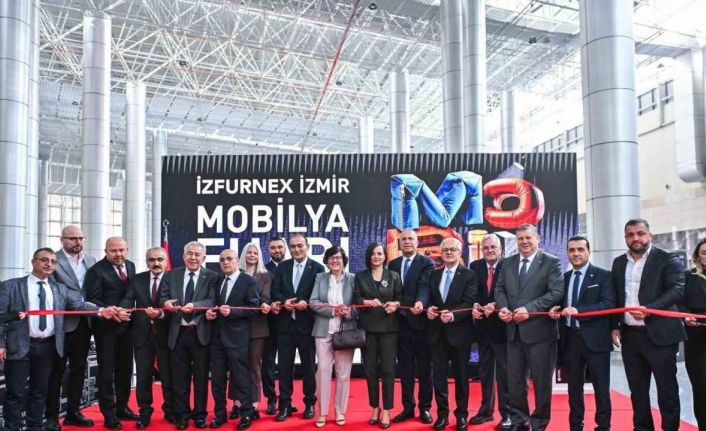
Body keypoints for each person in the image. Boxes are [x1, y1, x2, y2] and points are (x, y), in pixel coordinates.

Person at [0, 248, 115, 431]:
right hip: (19, 346)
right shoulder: (10, 286)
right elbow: (1, 316)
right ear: (33, 261)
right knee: (15, 393)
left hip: (48, 347)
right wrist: (1, 344)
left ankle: (35, 427)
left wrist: (101, 311)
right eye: (44, 260)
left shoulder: (59, 288)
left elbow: (78, 305)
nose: (49, 264)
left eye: (53, 262)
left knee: (40, 392)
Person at [611, 218, 685, 431]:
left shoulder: (667, 258)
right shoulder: (619, 262)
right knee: (637, 392)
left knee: (667, 391)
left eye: (640, 233)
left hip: (661, 334)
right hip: (631, 336)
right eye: (630, 235)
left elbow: (677, 290)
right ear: (625, 238)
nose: (636, 238)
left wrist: (649, 309)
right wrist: (614, 326)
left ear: (650, 235)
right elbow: (616, 296)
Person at [495, 224, 563, 431]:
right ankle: (519, 421)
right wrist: (503, 308)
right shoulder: (507, 263)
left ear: (537, 238)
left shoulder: (551, 262)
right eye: (520, 238)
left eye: (528, 237)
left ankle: (539, 423)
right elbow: (499, 289)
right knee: (515, 381)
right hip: (513, 331)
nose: (524, 241)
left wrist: (529, 310)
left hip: (541, 333)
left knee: (542, 383)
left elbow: (556, 292)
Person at [548, 236, 615, 431]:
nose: (576, 253)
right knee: (574, 388)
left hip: (596, 340)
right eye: (571, 250)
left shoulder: (603, 276)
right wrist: (555, 311)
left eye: (580, 249)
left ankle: (603, 427)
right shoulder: (565, 278)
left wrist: (580, 311)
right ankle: (575, 426)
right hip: (571, 339)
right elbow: (562, 305)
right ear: (567, 253)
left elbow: (608, 304)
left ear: (588, 251)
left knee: (601, 388)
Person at [161, 241, 219, 430]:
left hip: (200, 334)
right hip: (177, 334)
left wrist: (195, 306)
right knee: (179, 379)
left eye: (197, 254)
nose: (193, 258)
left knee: (201, 378)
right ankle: (182, 415)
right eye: (190, 254)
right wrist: (166, 303)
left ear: (204, 257)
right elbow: (163, 298)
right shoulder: (171, 275)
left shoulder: (212, 276)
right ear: (183, 256)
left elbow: (212, 300)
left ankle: (200, 415)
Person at [45, 225, 97, 430]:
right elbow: (52, 293)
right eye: (73, 238)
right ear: (62, 240)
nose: (78, 242)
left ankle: (73, 413)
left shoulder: (91, 260)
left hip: (85, 323)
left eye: (81, 238)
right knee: (56, 371)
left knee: (78, 369)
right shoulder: (53, 260)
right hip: (61, 324)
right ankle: (51, 417)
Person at [84, 237, 138, 429]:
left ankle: (122, 407)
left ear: (127, 250)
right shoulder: (95, 271)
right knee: (106, 373)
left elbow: (131, 293)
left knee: (125, 370)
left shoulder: (130, 266)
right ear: (106, 251)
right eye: (114, 250)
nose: (118, 254)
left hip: (127, 328)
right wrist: (115, 312)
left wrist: (123, 310)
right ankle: (109, 415)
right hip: (106, 330)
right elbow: (92, 299)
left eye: (122, 250)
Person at [271, 233, 325, 421]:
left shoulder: (318, 268)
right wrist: (283, 302)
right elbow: (275, 291)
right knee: (284, 368)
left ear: (307, 247)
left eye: (300, 245)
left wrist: (307, 303)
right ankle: (285, 405)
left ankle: (309, 403)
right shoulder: (283, 267)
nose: (296, 249)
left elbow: (320, 295)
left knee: (308, 367)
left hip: (306, 325)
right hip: (285, 325)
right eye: (293, 246)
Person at [118, 247, 174, 428]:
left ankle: (170, 410)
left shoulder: (174, 278)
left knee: (168, 376)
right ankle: (144, 412)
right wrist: (121, 310)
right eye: (151, 260)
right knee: (143, 377)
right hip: (142, 335)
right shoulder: (137, 279)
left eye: (160, 259)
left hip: (167, 335)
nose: (156, 263)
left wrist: (161, 314)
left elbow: (176, 304)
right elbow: (128, 299)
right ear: (146, 262)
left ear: (166, 261)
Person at [426, 237, 478, 431]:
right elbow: (429, 299)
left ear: (460, 252)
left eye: (453, 249)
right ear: (441, 252)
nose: (449, 252)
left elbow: (469, 302)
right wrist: (429, 309)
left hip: (460, 334)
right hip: (436, 334)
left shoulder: (469, 275)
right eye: (446, 250)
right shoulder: (433, 274)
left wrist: (453, 315)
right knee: (439, 378)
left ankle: (462, 415)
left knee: (461, 377)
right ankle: (442, 415)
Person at [206, 249, 260, 431]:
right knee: (217, 380)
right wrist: (211, 312)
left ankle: (247, 413)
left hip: (237, 338)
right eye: (222, 260)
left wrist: (233, 311)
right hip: (216, 338)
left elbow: (254, 308)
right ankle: (220, 414)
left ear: (237, 260)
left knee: (241, 378)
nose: (225, 262)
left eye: (229, 259)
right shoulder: (218, 280)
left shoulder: (248, 281)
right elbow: (214, 304)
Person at [387, 229, 434, 425]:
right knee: (405, 370)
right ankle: (408, 407)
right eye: (403, 239)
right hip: (400, 325)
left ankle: (425, 408)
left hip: (421, 324)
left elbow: (424, 286)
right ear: (399, 243)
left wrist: (420, 302)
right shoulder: (393, 264)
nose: (407, 242)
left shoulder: (427, 263)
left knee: (424, 370)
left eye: (410, 239)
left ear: (417, 242)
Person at [353, 242, 402, 430]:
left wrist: (395, 304)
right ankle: (375, 408)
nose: (376, 257)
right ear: (368, 256)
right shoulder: (360, 276)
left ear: (384, 256)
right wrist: (366, 301)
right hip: (367, 329)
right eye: (373, 253)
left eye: (380, 253)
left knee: (388, 370)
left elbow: (401, 298)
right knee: (370, 370)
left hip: (389, 329)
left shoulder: (394, 276)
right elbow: (355, 299)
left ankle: (387, 410)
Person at [309, 246, 356, 428]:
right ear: (326, 261)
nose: (335, 261)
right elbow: (313, 302)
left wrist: (348, 312)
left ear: (344, 260)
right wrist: (333, 311)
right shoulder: (320, 277)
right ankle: (322, 412)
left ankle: (340, 411)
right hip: (323, 330)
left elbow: (358, 305)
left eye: (338, 257)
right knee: (323, 371)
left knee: (343, 373)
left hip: (345, 332)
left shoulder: (352, 279)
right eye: (331, 258)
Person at [469, 234, 510, 430]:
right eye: (486, 248)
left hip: (503, 328)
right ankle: (486, 411)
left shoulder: (509, 266)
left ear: (500, 248)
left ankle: (507, 414)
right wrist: (475, 305)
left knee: (504, 373)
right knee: (485, 372)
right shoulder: (475, 266)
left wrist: (496, 304)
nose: (490, 250)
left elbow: (511, 292)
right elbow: (473, 292)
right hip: (482, 328)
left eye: (493, 247)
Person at [238, 243, 273, 420]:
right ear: (243, 255)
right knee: (237, 366)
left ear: (259, 256)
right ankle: (237, 403)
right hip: (236, 326)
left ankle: (253, 405)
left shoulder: (265, 275)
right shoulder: (236, 273)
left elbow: (265, 297)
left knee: (254, 366)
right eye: (249, 252)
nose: (252, 255)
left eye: (255, 253)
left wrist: (264, 304)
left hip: (257, 327)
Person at [261, 236, 287, 415]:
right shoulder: (263, 270)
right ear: (268, 250)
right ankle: (271, 398)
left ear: (285, 248)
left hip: (289, 323)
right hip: (267, 324)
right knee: (268, 364)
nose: (277, 250)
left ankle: (286, 400)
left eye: (280, 247)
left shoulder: (292, 267)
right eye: (273, 248)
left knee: (286, 364)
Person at [682, 238, 706, 430]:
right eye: (704, 253)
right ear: (697, 255)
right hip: (697, 336)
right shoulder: (688, 275)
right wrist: (685, 315)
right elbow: (678, 300)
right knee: (701, 387)